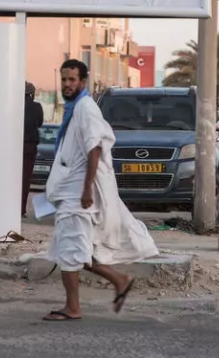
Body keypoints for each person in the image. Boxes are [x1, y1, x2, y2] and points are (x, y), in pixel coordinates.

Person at [42, 59, 158, 321]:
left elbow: (95, 149)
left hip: (78, 196)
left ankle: (73, 307)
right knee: (73, 249)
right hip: (71, 193)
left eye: (72, 80)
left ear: (83, 82)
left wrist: (86, 191)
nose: (67, 84)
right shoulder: (75, 109)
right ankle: (119, 280)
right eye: (64, 80)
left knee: (70, 253)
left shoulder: (85, 108)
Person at [22, 82, 45, 217]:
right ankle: (21, 209)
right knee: (25, 179)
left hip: (14, 146)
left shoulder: (14, 105)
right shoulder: (36, 107)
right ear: (31, 94)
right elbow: (40, 122)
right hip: (30, 145)